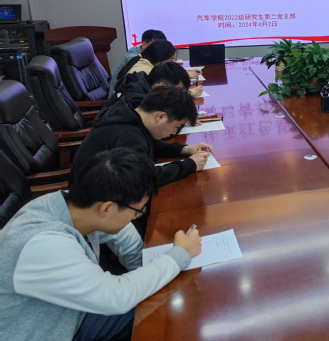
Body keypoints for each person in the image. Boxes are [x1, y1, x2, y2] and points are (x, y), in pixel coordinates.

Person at [0, 148, 201, 341]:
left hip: (67, 308)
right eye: (137, 211)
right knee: (163, 306)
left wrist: (144, 266)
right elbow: (116, 298)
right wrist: (179, 254)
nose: (135, 217)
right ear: (106, 208)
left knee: (159, 289)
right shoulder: (44, 245)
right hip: (51, 328)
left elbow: (123, 233)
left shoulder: (71, 204)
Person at [71, 85, 212, 189]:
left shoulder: (130, 115)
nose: (175, 131)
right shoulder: (127, 134)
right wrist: (190, 165)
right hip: (97, 203)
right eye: (177, 126)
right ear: (160, 117)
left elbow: (149, 144)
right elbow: (146, 178)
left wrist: (184, 149)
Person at [103, 61, 193, 112]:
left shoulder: (144, 83)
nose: (178, 97)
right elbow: (155, 130)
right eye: (177, 92)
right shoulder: (137, 99)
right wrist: (180, 121)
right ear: (160, 85)